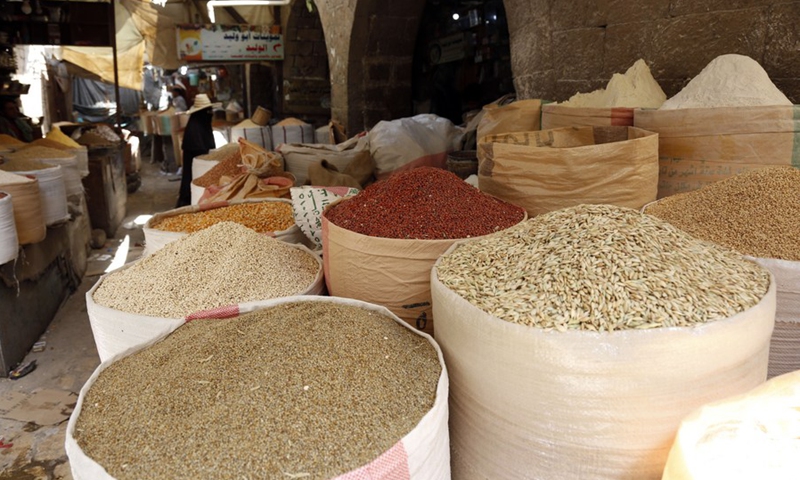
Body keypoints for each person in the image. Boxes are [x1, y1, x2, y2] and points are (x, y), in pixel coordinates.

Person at [176, 94, 217, 207]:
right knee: (190, 180)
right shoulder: (195, 127)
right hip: (194, 161)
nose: (210, 114)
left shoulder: (202, 124)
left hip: (197, 161)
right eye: (208, 111)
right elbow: (200, 150)